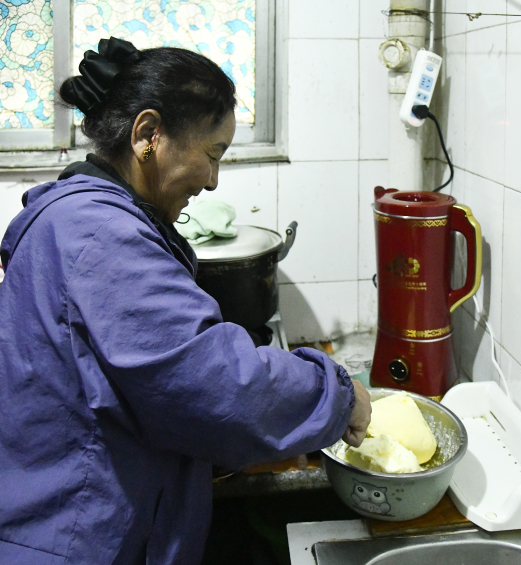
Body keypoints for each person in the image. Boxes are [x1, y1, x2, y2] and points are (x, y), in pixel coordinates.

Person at [0, 37, 371, 565]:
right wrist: (337, 395)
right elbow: (219, 384)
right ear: (149, 134)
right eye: (212, 154)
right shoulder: (102, 235)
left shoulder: (73, 219)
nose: (213, 179)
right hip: (79, 538)